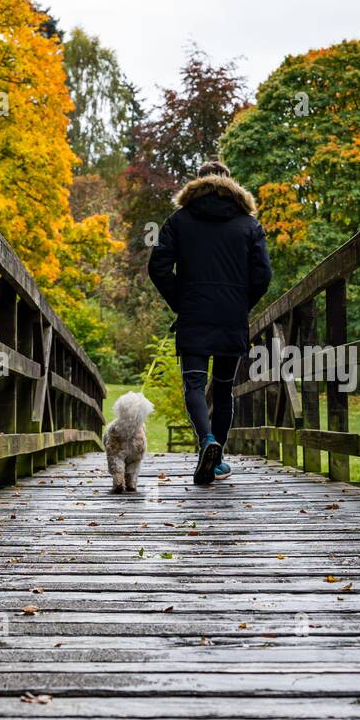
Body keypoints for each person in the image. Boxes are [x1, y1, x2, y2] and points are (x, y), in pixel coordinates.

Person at [148, 160, 273, 484]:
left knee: (193, 383)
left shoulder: (179, 220)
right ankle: (218, 463)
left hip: (194, 315)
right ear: (230, 185)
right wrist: (240, 303)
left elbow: (158, 267)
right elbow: (263, 275)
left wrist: (182, 300)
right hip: (231, 318)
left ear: (198, 183)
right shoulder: (248, 224)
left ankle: (207, 441)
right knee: (223, 388)